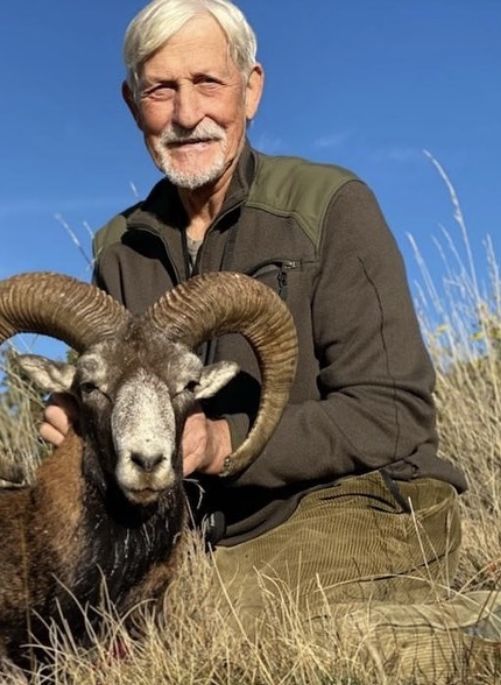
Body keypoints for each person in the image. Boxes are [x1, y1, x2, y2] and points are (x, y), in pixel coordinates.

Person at [40, 0, 499, 677]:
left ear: (250, 89)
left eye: (207, 81)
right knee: (83, 632)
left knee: (221, 635)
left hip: (361, 499)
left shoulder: (328, 206)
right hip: (202, 534)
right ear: (133, 104)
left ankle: (478, 636)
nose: (186, 113)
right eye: (160, 89)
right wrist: (82, 425)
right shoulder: (119, 250)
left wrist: (222, 442)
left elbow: (394, 414)